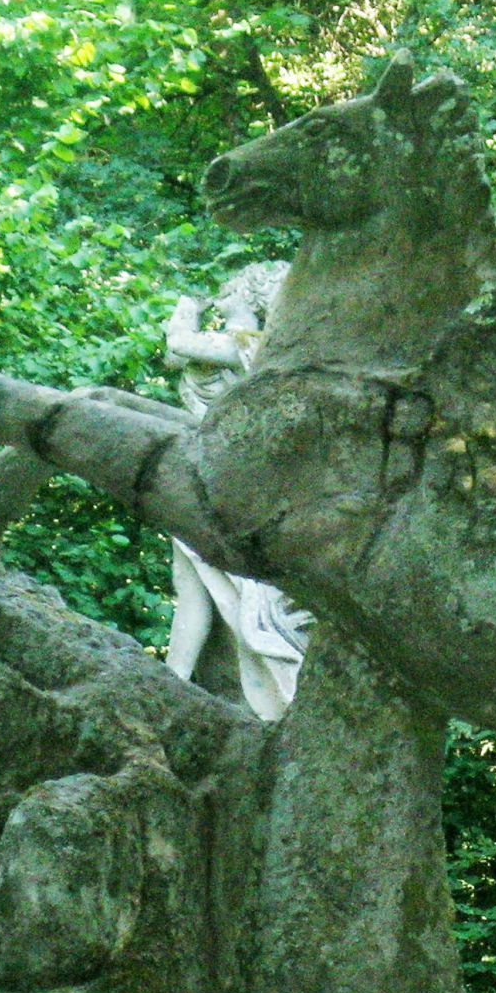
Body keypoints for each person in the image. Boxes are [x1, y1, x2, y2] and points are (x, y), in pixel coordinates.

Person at [161, 262, 309, 720]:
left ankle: (174, 683)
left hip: (231, 482)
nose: (221, 296)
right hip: (206, 474)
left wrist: (186, 305)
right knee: (190, 582)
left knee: (209, 584)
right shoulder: (230, 346)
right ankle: (171, 681)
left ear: (250, 295)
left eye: (230, 290)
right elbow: (175, 359)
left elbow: (177, 344)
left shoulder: (248, 344)